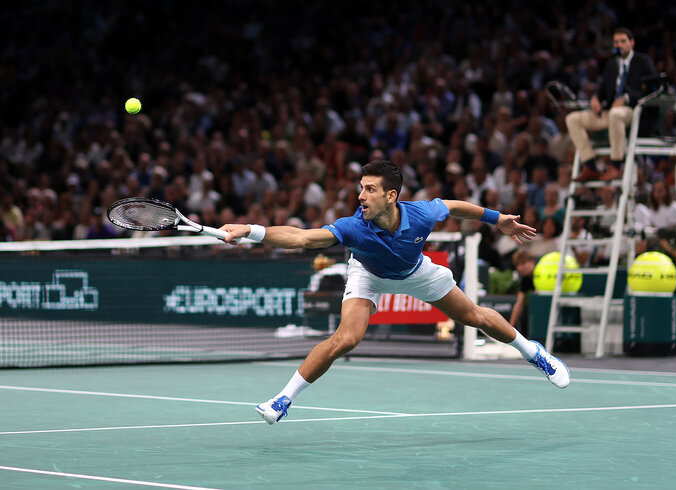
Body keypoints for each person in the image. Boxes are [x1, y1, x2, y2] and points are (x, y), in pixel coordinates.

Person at [221, 160, 571, 425]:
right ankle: (282, 400)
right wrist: (251, 230)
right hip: (368, 273)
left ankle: (533, 352)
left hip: (416, 271)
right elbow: (302, 238)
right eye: (361, 187)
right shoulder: (352, 227)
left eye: (369, 189)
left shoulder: (420, 214)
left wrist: (498, 219)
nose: (360, 195)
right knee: (346, 338)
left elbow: (455, 206)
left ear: (391, 195)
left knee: (474, 317)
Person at [566, 28, 657, 182]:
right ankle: (590, 166)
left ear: (632, 43)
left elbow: (652, 90)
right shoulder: (611, 65)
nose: (619, 45)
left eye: (623, 41)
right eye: (616, 42)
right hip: (611, 112)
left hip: (633, 111)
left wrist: (627, 98)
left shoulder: (643, 62)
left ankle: (615, 165)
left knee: (616, 114)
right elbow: (601, 91)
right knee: (572, 119)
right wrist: (595, 99)